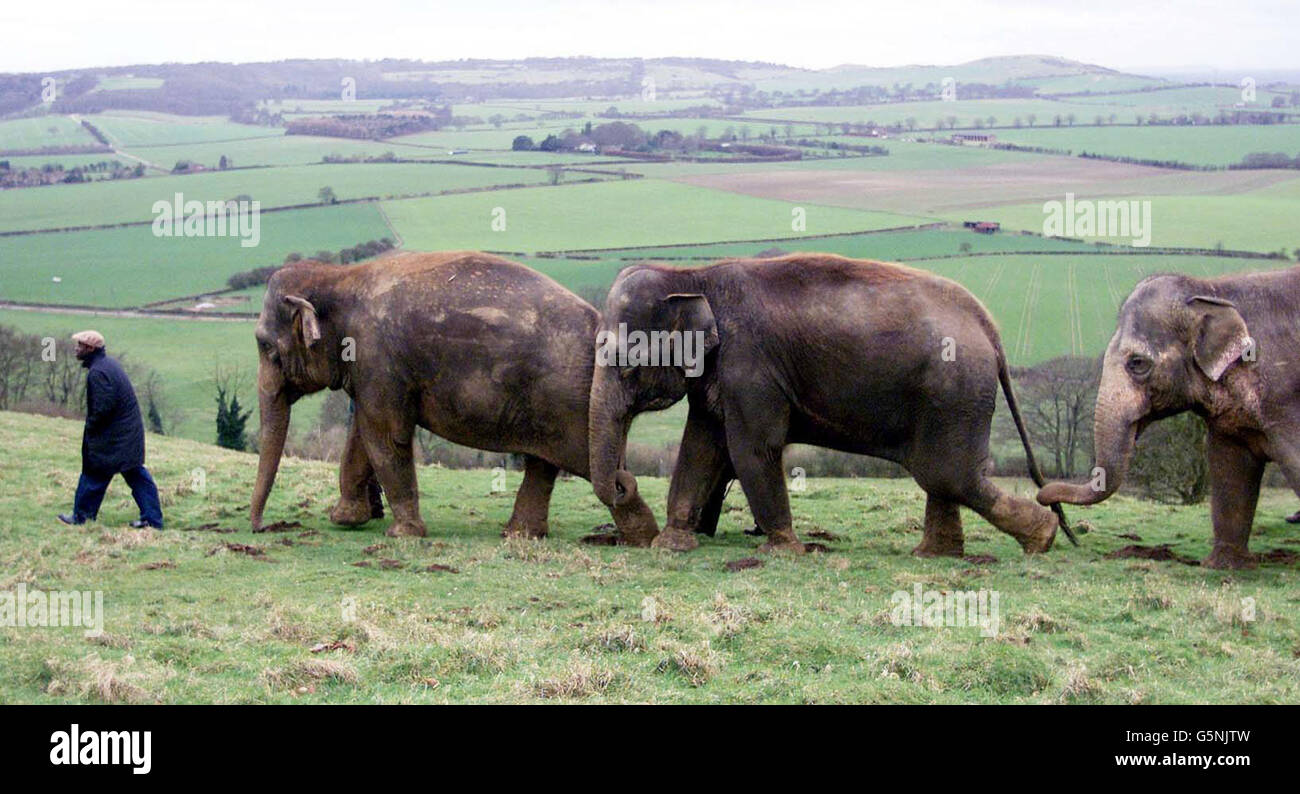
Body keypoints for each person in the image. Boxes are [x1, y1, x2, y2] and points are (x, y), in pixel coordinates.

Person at [57, 330, 164, 529]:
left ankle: (82, 517)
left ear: (90, 349)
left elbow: (102, 409)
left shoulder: (98, 373)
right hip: (126, 435)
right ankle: (152, 519)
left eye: (79, 345)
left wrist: (91, 429)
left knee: (94, 472)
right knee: (135, 475)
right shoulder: (108, 365)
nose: (76, 349)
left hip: (116, 438)